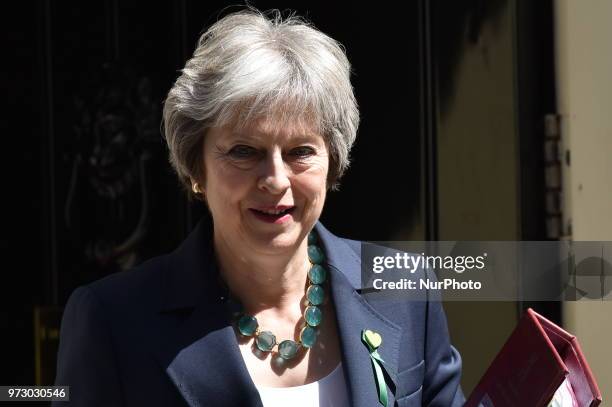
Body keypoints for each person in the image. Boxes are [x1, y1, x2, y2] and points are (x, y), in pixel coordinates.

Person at [54, 8, 464, 407]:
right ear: (197, 168)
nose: (276, 179)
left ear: (332, 162)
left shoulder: (405, 290)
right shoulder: (113, 320)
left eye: (300, 151)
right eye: (244, 151)